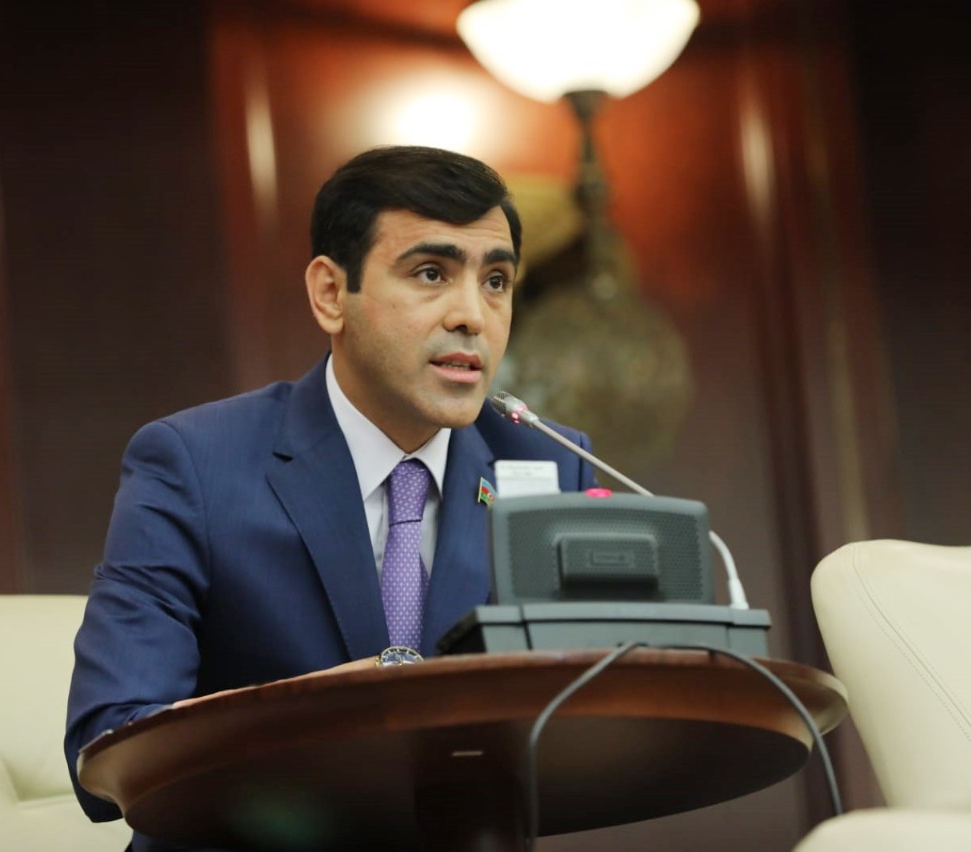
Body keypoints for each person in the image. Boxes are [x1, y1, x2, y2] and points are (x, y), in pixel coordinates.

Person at [65, 146, 597, 851]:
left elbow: (585, 719)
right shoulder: (194, 463)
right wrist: (320, 716)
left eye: (496, 281)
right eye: (431, 273)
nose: (473, 315)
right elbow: (107, 745)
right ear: (329, 294)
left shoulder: (547, 463)